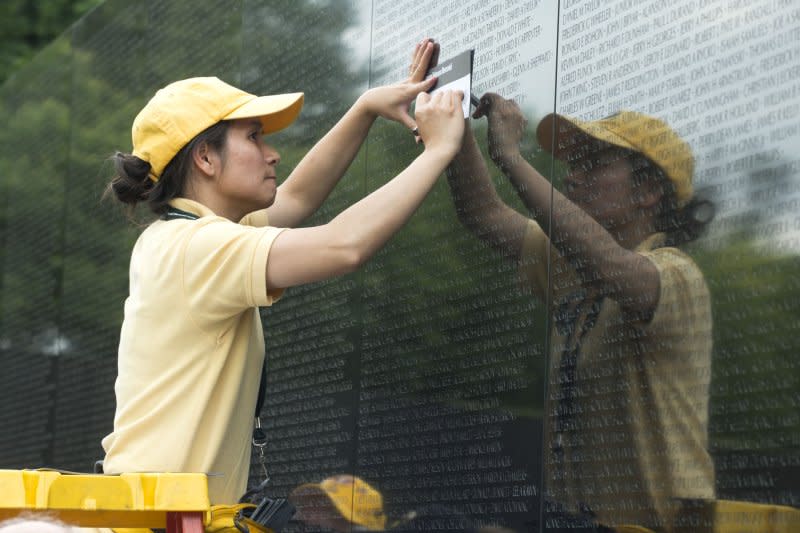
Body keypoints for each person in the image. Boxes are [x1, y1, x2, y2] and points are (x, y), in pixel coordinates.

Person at [101, 38, 463, 506]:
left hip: (154, 509)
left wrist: (365, 109)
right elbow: (344, 245)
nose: (271, 154)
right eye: (253, 137)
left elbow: (296, 199)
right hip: (160, 517)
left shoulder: (186, 235)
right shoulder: (197, 247)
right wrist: (437, 151)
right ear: (206, 158)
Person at [445, 93, 715, 532]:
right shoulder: (574, 265)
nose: (572, 178)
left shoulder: (677, 275)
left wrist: (511, 157)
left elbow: (610, 265)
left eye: (592, 165)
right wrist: (452, 129)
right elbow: (484, 213)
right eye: (575, 166)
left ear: (647, 192)